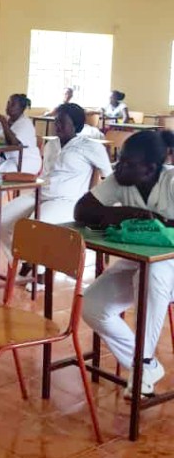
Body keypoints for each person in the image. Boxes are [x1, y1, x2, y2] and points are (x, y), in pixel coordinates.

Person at [75, 130, 174, 398]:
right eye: (120, 158)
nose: (120, 166)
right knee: (94, 306)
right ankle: (147, 364)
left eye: (129, 162)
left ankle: (141, 366)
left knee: (153, 273)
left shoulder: (171, 181)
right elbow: (82, 210)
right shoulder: (122, 179)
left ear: (149, 169)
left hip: (167, 268)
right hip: (137, 263)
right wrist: (127, 213)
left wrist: (158, 222)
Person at [0, 103, 112, 289]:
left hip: (68, 201)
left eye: (63, 123)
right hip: (41, 193)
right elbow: (44, 176)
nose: (57, 126)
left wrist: (97, 207)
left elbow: (109, 176)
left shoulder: (90, 147)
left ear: (77, 126)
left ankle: (40, 275)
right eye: (56, 121)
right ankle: (24, 260)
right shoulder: (51, 145)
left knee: (34, 228)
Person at [0, 94, 41, 207]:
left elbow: (14, 143)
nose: (8, 106)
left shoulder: (25, 123)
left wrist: (5, 124)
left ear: (22, 108)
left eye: (13, 104)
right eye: (8, 103)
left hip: (27, 160)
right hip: (7, 158)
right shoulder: (3, 122)